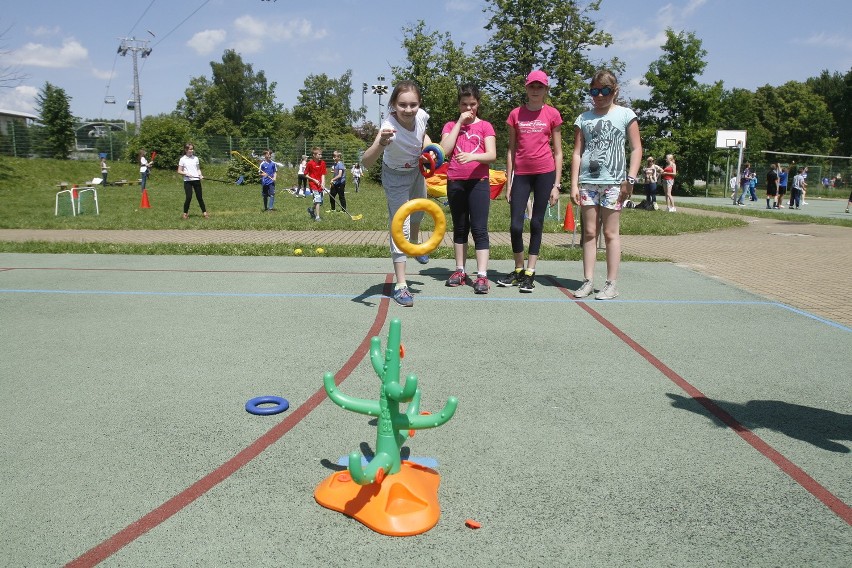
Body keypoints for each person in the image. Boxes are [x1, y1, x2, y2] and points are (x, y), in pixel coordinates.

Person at [360, 80, 433, 307]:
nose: (408, 110)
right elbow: (366, 162)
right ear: (393, 104)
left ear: (419, 104)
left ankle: (414, 242)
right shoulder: (388, 128)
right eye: (402, 105)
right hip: (395, 177)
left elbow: (423, 137)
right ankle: (401, 286)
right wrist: (381, 144)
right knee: (399, 225)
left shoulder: (421, 116)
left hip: (417, 171)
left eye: (413, 104)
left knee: (419, 212)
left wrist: (429, 151)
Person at [571, 69, 641, 301]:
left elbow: (636, 149)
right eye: (594, 91)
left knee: (610, 233)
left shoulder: (625, 114)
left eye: (605, 91)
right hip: (588, 183)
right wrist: (573, 184)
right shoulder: (583, 118)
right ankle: (588, 281)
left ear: (615, 91)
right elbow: (577, 153)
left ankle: (611, 284)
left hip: (614, 183)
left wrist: (629, 180)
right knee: (589, 232)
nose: (599, 96)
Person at [499, 69, 562, 293]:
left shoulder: (552, 114)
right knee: (516, 225)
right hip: (522, 176)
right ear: (526, 88)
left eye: (540, 87)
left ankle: (530, 272)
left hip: (545, 173)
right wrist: (509, 181)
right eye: (532, 86)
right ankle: (518, 269)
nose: (535, 90)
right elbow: (511, 149)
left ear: (546, 90)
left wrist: (556, 185)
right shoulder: (515, 114)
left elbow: (558, 152)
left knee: (536, 222)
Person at [438, 83, 497, 294]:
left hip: (478, 182)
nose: (468, 109)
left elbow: (491, 155)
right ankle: (460, 270)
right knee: (460, 227)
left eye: (472, 104)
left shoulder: (485, 126)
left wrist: (472, 156)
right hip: (455, 181)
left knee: (479, 229)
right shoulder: (449, 126)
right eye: (464, 105)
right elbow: (444, 150)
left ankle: (482, 276)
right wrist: (459, 124)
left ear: (478, 104)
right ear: (459, 105)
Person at [177, 143, 208, 219]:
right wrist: (186, 173)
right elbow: (179, 171)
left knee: (199, 197)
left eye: (192, 149)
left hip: (196, 180)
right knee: (188, 197)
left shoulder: (196, 158)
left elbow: (198, 169)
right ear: (186, 150)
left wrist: (200, 175)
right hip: (187, 181)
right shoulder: (182, 159)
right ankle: (185, 213)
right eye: (190, 149)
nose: (192, 150)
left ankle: (205, 213)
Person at [304, 146, 327, 221]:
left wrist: (323, 183)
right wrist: (313, 180)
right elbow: (305, 175)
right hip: (313, 185)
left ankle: (311, 209)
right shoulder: (310, 163)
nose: (321, 156)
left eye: (321, 154)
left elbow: (323, 174)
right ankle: (317, 217)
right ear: (314, 155)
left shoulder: (323, 163)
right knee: (317, 199)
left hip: (320, 185)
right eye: (319, 154)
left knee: (320, 202)